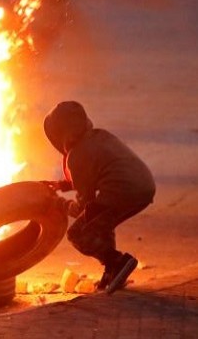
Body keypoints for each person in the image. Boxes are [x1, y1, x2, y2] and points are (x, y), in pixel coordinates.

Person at [42, 101, 156, 294]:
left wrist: (60, 204)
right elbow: (95, 172)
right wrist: (63, 185)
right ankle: (113, 272)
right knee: (101, 222)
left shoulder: (76, 155)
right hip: (144, 186)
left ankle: (117, 262)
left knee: (79, 233)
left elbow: (83, 206)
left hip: (122, 191)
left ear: (60, 135)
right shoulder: (99, 137)